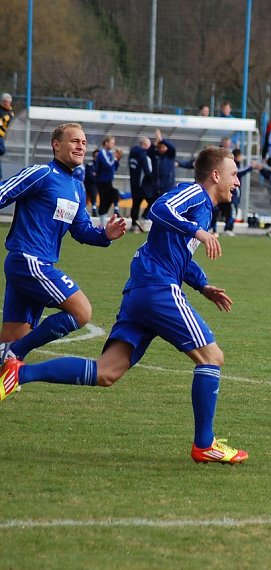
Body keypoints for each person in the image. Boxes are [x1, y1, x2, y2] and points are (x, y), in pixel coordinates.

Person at [0, 147, 248, 464]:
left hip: (141, 293)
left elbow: (172, 253)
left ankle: (19, 374)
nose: (237, 181)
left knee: (106, 372)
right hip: (158, 290)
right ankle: (204, 445)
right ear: (215, 175)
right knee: (212, 357)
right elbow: (159, 208)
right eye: (233, 174)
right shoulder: (195, 194)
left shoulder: (203, 208)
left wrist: (203, 285)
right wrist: (197, 230)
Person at [0, 123, 127, 376]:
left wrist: (105, 235)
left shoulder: (77, 187)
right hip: (29, 260)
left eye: (83, 142)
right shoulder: (41, 174)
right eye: (74, 141)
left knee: (10, 343)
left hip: (37, 265)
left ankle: (9, 356)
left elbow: (81, 230)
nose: (81, 146)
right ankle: (15, 353)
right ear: (56, 145)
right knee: (82, 311)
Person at [94, 135, 123, 223]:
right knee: (104, 201)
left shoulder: (110, 153)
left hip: (109, 181)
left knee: (113, 195)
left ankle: (115, 209)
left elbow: (114, 168)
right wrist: (115, 158)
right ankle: (102, 223)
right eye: (112, 143)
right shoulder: (102, 152)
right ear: (106, 143)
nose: (113, 145)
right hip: (102, 181)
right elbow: (107, 165)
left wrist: (117, 159)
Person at [128, 136, 153, 233]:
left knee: (135, 204)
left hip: (133, 183)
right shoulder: (143, 155)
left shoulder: (132, 154)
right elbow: (147, 171)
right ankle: (142, 218)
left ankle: (134, 225)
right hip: (142, 184)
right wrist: (154, 177)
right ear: (145, 145)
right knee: (153, 200)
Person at [0, 93, 14, 179]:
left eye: (9, 102)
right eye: (6, 101)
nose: (7, 103)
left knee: (2, 151)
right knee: (2, 150)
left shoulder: (10, 112)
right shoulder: (1, 111)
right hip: (1, 135)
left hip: (4, 135)